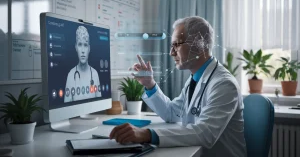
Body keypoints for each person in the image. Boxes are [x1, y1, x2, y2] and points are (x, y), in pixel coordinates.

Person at [109, 16, 247, 156]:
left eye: (176, 45)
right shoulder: (195, 79)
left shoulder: (224, 84)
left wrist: (147, 134)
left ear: (198, 44)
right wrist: (149, 84)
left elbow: (205, 133)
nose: (171, 53)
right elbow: (172, 112)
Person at [64, 26, 101, 102]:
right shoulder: (71, 75)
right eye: (80, 44)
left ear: (89, 48)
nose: (83, 51)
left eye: (85, 45)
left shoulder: (94, 74)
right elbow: (66, 107)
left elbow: (99, 103)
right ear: (76, 47)